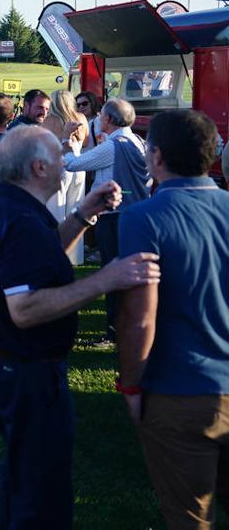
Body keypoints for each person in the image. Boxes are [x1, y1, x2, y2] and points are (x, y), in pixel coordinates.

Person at [0, 126, 159, 529]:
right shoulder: (19, 220)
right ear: (38, 167)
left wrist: (83, 216)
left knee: (22, 473)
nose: (66, 166)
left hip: (9, 366)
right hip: (26, 372)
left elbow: (40, 256)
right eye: (59, 158)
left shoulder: (6, 207)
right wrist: (107, 279)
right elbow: (25, 307)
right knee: (41, 489)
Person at [115, 110, 229, 529]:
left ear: (156, 155)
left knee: (189, 518)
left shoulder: (143, 217)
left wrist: (130, 382)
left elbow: (140, 317)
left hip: (179, 391)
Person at [62, 97, 148, 344]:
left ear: (108, 119)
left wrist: (68, 140)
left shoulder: (114, 145)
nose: (99, 119)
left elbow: (74, 164)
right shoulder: (137, 140)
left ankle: (113, 331)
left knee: (112, 272)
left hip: (113, 216)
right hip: (132, 213)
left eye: (101, 117)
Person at [43, 90, 88, 230]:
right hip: (79, 166)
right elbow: (86, 143)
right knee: (76, 213)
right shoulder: (81, 117)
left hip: (58, 166)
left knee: (55, 210)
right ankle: (76, 250)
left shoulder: (49, 120)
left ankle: (56, 247)